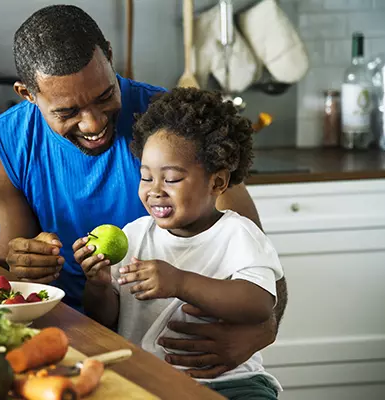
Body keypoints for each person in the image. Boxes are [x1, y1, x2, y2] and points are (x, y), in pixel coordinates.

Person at [0, 4, 288, 379]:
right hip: (58, 342)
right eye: (67, 111)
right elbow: (11, 280)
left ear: (109, 54)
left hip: (181, 359)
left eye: (105, 95)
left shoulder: (171, 127)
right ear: (28, 94)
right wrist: (21, 261)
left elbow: (261, 262)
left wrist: (260, 332)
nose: (93, 123)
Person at [75, 88, 283, 399]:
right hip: (146, 381)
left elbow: (259, 304)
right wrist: (99, 285)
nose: (155, 191)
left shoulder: (238, 235)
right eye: (146, 178)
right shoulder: (134, 235)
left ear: (217, 182)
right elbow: (106, 320)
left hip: (232, 384)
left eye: (171, 179)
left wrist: (180, 282)